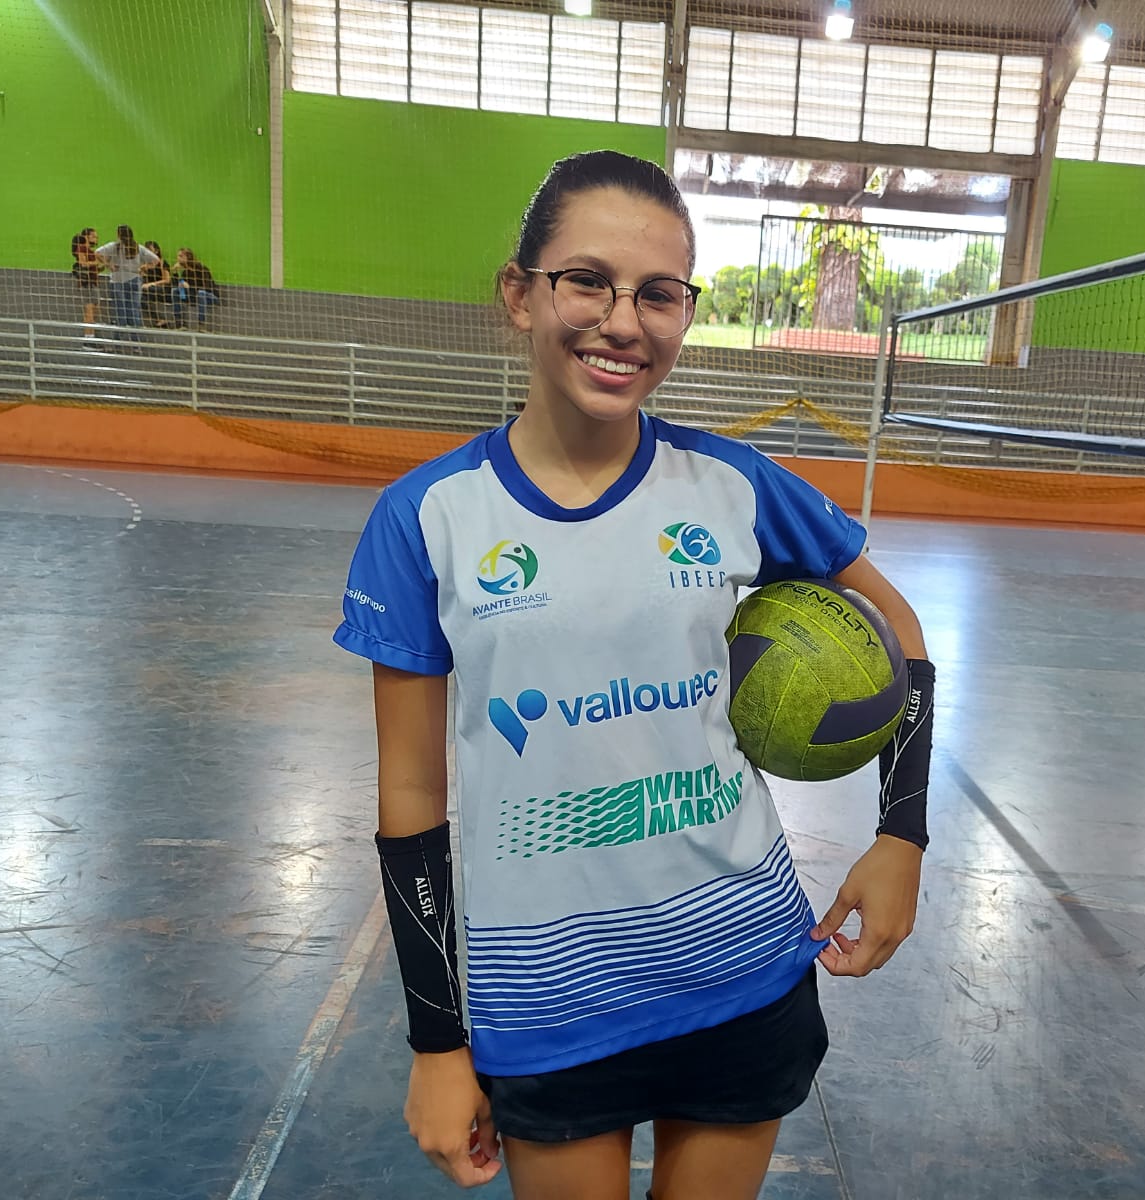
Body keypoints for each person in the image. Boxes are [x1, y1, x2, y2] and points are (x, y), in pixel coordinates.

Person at [333, 150, 936, 1200]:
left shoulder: (731, 484)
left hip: (742, 964)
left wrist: (902, 836)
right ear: (519, 294)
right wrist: (437, 1039)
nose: (623, 323)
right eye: (587, 281)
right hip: (547, 999)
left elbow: (902, 627)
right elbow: (413, 793)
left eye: (659, 294)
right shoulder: (427, 518)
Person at [94, 224, 159, 343]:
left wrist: (108, 264)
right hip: (134, 279)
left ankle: (118, 342)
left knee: (120, 312)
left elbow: (97, 253)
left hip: (117, 281)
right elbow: (156, 260)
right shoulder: (138, 248)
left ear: (118, 234)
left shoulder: (114, 246)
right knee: (134, 311)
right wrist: (144, 267)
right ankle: (136, 343)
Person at [171, 248, 219, 328]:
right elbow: (178, 287)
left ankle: (201, 325)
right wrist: (175, 273)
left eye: (181, 256)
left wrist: (190, 287)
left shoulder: (202, 268)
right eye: (178, 256)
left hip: (210, 296)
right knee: (175, 291)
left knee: (201, 293)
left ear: (188, 257)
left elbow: (207, 288)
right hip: (194, 295)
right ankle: (178, 323)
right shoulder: (185, 272)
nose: (178, 258)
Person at [70, 227, 105, 339]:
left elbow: (91, 267)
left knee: (94, 311)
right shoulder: (81, 248)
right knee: (89, 311)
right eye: (93, 236)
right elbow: (83, 263)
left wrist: (100, 268)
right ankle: (89, 338)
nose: (96, 238)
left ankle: (91, 336)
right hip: (87, 283)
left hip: (93, 282)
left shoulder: (89, 250)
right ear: (86, 237)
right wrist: (96, 262)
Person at [140, 240, 172, 327]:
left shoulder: (162, 263)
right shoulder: (145, 265)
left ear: (156, 251)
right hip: (149, 290)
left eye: (150, 250)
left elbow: (167, 280)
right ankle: (159, 318)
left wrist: (152, 284)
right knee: (140, 297)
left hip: (163, 289)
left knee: (143, 291)